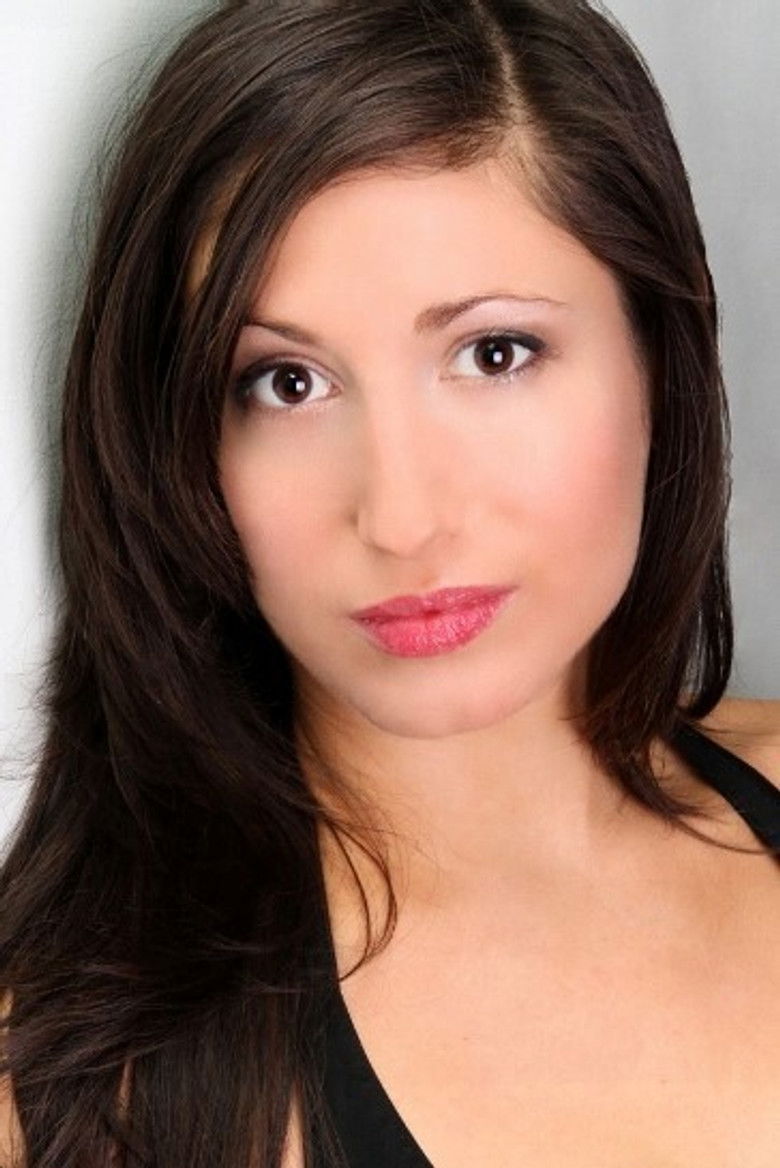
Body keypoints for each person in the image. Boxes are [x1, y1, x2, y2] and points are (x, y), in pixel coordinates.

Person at [1, 0, 779, 1164]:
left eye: (495, 353)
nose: (403, 517)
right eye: (286, 384)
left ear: (660, 356)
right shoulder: (76, 1092)